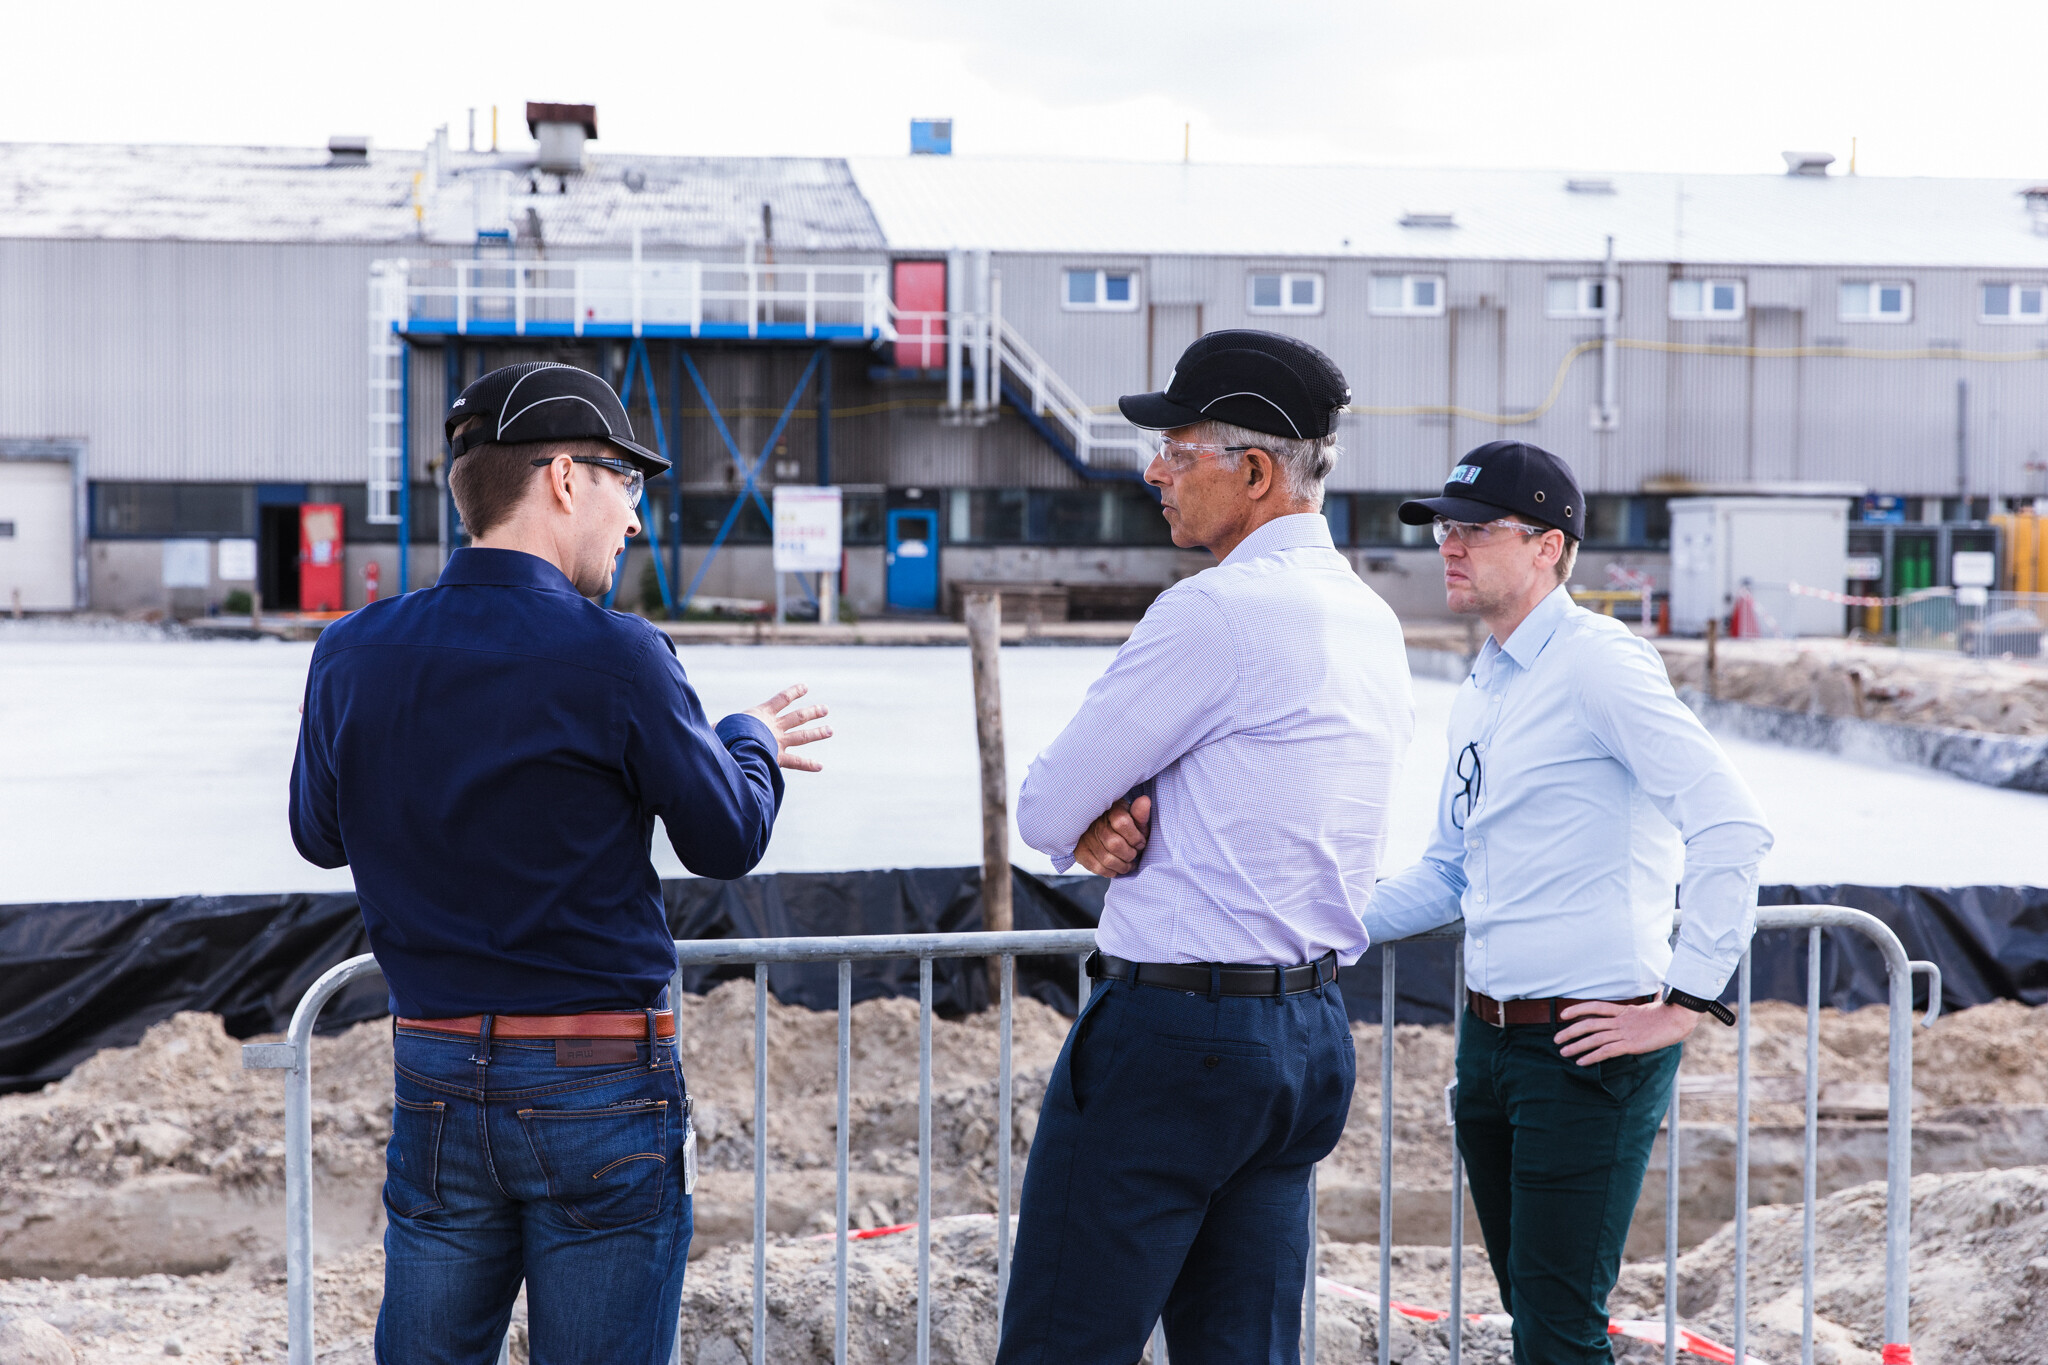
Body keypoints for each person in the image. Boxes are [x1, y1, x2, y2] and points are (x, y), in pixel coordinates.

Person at [289, 361, 831, 1365]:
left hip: (437, 1070)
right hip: (598, 1084)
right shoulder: (617, 654)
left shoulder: (352, 650)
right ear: (566, 479)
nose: (633, 519)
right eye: (628, 484)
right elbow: (725, 838)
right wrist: (746, 737)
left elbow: (320, 833)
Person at [1000, 330, 1414, 1365]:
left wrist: (1101, 817)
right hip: (1307, 1031)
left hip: (1177, 1032)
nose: (1153, 470)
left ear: (1256, 470)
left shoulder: (1215, 613)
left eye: (1178, 450)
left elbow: (1048, 807)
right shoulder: (1369, 620)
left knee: (1064, 1341)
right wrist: (1127, 810)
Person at [1367, 439, 1773, 1365]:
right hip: (1491, 1044)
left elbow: (1731, 825)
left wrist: (1685, 1001)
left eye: (1474, 529)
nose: (1450, 546)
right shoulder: (1487, 681)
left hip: (1585, 1045)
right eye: (1445, 529)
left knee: (1557, 1334)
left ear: (1549, 545)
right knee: (1538, 1316)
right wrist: (1305, 921)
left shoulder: (1598, 664)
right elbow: (1447, 870)